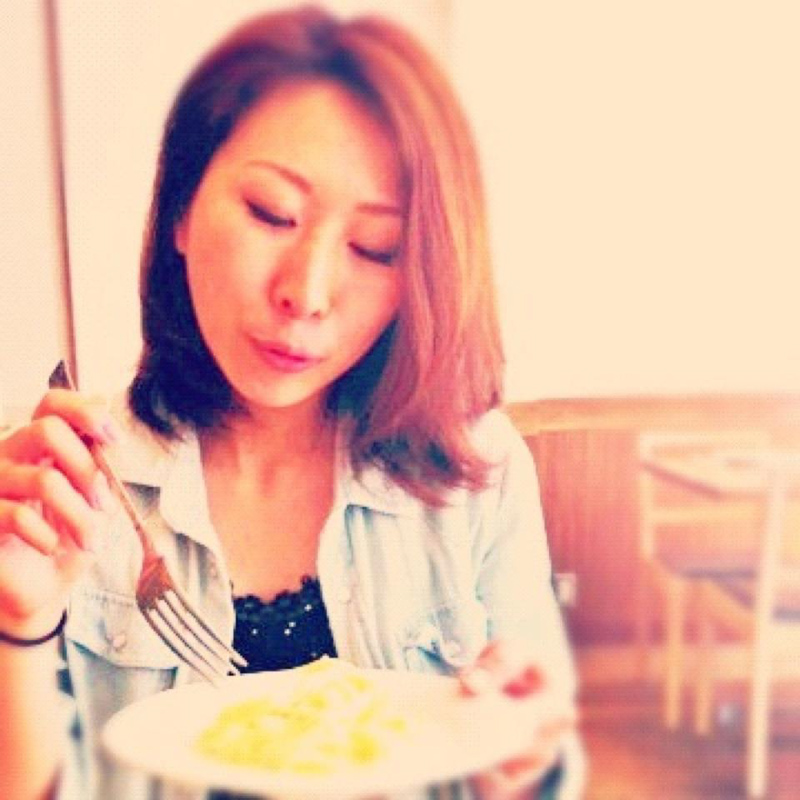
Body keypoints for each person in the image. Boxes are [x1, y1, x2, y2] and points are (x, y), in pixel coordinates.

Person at [0, 6, 581, 800]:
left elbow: (534, 756)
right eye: (272, 214)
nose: (306, 293)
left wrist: (522, 760)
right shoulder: (70, 487)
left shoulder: (479, 470)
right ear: (181, 210)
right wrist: (19, 624)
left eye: (375, 248)